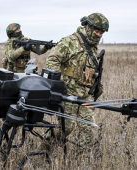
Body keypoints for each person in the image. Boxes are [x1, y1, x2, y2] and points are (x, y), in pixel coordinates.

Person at [46, 13, 109, 150]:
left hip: (85, 95)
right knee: (66, 128)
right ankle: (45, 147)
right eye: (96, 31)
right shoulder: (70, 41)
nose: (98, 35)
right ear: (88, 27)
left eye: (101, 33)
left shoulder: (93, 47)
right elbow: (52, 60)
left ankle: (82, 161)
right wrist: (60, 84)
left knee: (89, 131)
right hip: (67, 94)